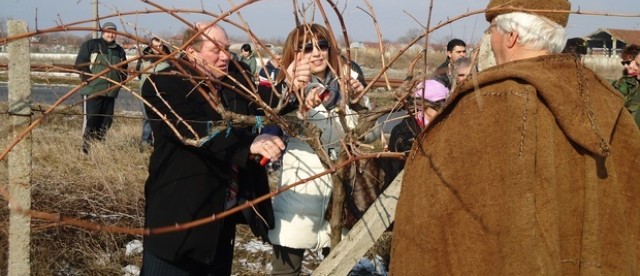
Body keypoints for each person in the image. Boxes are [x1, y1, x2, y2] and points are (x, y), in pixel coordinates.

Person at [390, 0, 640, 274]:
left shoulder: (481, 109)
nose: (489, 39)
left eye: (492, 29)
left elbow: (434, 226)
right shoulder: (610, 106)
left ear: (511, 36)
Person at [140, 23, 286, 276]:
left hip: (220, 221)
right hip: (180, 220)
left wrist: (294, 84)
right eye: (216, 49)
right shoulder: (163, 85)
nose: (226, 56)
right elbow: (193, 128)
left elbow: (271, 102)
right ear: (190, 51)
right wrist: (247, 144)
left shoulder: (232, 83)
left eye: (227, 49)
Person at [268, 23, 365, 276]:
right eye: (306, 47)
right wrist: (295, 99)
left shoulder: (348, 81)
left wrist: (359, 103)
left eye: (322, 45)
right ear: (294, 53)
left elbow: (369, 134)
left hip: (341, 190)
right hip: (301, 189)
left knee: (338, 267)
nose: (316, 52)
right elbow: (269, 121)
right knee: (285, 269)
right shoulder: (286, 88)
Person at [74, 21, 128, 154]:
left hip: (110, 93)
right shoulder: (92, 45)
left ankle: (99, 149)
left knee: (106, 122)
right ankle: (86, 149)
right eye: (108, 31)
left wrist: (121, 80)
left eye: (114, 32)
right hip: (93, 91)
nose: (111, 34)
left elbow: (124, 69)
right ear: (103, 32)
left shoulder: (119, 50)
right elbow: (80, 64)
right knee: (91, 120)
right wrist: (88, 79)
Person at [387, 79, 449, 154]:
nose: (444, 109)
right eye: (438, 105)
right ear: (422, 106)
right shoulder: (404, 133)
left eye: (446, 103)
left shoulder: (448, 125)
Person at [135, 37, 171, 150]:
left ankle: (161, 143)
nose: (158, 48)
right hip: (145, 94)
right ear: (151, 46)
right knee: (147, 119)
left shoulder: (168, 60)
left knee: (161, 119)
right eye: (155, 46)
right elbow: (139, 74)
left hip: (162, 95)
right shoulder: (144, 59)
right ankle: (146, 143)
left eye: (160, 46)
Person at [611, 44, 640, 127]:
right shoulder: (628, 81)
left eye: (628, 62)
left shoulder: (629, 82)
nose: (628, 67)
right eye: (624, 63)